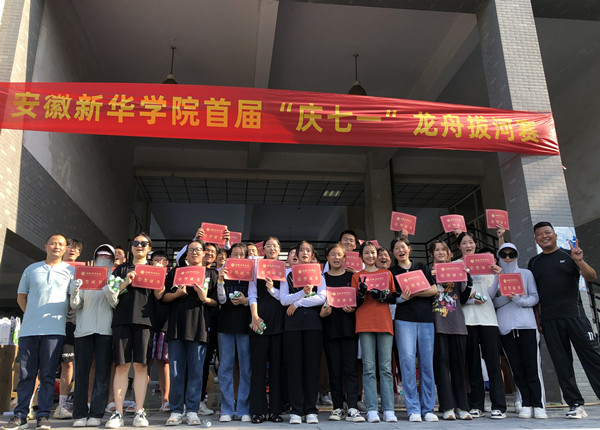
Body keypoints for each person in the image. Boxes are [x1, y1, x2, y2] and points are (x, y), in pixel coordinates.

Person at [528, 221, 600, 419]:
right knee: (562, 364)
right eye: (540, 234)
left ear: (555, 235)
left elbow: (591, 277)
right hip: (550, 320)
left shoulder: (570, 255)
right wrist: (538, 318)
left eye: (547, 232)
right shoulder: (534, 263)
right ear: (535, 239)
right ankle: (575, 404)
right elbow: (535, 294)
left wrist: (579, 261)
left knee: (593, 358)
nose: (544, 236)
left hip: (575, 316)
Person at [6, 234, 75, 430]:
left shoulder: (70, 271)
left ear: (65, 249)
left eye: (61, 244)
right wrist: (33, 315)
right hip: (29, 331)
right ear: (46, 246)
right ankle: (20, 415)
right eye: (53, 243)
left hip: (55, 331)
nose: (56, 246)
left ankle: (43, 415)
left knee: (47, 375)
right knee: (26, 374)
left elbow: (71, 303)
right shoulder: (32, 269)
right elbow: (21, 297)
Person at [105, 233, 165, 429]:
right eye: (136, 243)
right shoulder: (120, 269)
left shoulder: (154, 269)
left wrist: (160, 277)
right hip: (121, 320)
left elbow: (159, 296)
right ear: (131, 247)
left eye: (144, 243)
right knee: (121, 366)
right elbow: (111, 295)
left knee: (141, 366)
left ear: (149, 248)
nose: (140, 246)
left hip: (145, 322)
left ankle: (139, 411)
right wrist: (125, 282)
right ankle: (118, 413)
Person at [163, 240, 218, 426]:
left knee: (196, 372)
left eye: (198, 250)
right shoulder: (175, 273)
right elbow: (164, 297)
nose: (195, 252)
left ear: (204, 254)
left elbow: (217, 302)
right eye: (191, 250)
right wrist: (177, 294)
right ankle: (176, 410)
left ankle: (193, 410)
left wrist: (204, 298)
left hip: (199, 328)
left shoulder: (211, 274)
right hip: (177, 328)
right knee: (176, 372)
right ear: (186, 254)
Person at [491, 243, 547, 419]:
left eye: (511, 254)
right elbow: (492, 301)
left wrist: (518, 299)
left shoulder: (526, 274)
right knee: (516, 367)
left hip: (527, 326)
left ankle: (538, 404)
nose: (508, 258)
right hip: (506, 327)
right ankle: (526, 403)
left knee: (532, 366)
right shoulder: (496, 276)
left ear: (516, 255)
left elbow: (534, 297)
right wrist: (507, 298)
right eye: (504, 255)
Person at [456, 232, 507, 419]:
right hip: (467, 320)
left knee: (493, 363)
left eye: (471, 242)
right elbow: (454, 295)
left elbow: (491, 295)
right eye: (464, 243)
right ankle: (476, 404)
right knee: (473, 364)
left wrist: (498, 276)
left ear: (475, 245)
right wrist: (471, 300)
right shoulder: (456, 265)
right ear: (459, 246)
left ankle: (499, 405)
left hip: (488, 319)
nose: (468, 246)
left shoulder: (487, 263)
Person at [390, 237, 438, 422]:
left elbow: (434, 290)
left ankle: (428, 409)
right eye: (396, 248)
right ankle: (413, 409)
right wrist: (405, 297)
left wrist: (414, 292)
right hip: (404, 320)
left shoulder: (421, 267)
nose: (400, 250)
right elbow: (393, 297)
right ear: (393, 253)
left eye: (403, 247)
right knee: (407, 363)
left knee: (427, 364)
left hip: (426, 320)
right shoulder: (392, 272)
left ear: (409, 249)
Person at [70, 244, 119, 427]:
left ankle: (96, 413)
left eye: (107, 256)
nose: (103, 258)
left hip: (105, 330)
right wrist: (75, 291)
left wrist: (108, 288)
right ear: (95, 256)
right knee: (81, 373)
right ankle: (80, 413)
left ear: (112, 259)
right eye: (100, 255)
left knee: (102, 373)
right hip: (84, 330)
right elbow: (76, 305)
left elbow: (115, 304)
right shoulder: (84, 275)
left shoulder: (115, 278)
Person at [280, 241, 326, 424]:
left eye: (308, 250)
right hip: (292, 326)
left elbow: (322, 297)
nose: (304, 253)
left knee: (312, 368)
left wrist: (298, 303)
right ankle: (296, 410)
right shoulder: (288, 275)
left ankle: (311, 409)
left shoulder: (319, 274)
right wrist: (301, 294)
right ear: (296, 255)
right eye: (301, 250)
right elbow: (284, 300)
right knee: (294, 368)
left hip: (313, 325)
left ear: (312, 255)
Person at [351, 241, 397, 423]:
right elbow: (354, 302)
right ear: (361, 256)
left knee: (386, 368)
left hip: (384, 322)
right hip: (364, 322)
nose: (370, 256)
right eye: (366, 253)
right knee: (368, 367)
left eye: (373, 253)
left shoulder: (387, 274)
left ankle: (389, 409)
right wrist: (361, 294)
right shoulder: (357, 276)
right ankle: (371, 409)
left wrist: (383, 296)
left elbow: (393, 297)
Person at [319, 244, 363, 422]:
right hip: (330, 329)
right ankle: (337, 407)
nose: (336, 258)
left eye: (339, 255)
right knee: (334, 370)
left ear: (345, 258)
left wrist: (353, 307)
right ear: (327, 258)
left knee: (350, 369)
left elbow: (359, 299)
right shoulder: (322, 278)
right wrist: (322, 312)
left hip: (349, 329)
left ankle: (352, 407)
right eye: (333, 255)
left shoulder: (352, 277)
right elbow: (316, 300)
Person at [429, 240, 472, 420]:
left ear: (449, 254)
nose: (440, 253)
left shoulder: (456, 271)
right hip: (437, 326)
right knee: (441, 366)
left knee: (458, 367)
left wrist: (469, 280)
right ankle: (447, 407)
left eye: (444, 250)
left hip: (457, 325)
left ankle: (462, 406)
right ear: (432, 254)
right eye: (437, 250)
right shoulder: (427, 273)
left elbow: (463, 298)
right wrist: (430, 277)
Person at [248, 237, 286, 424]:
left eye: (275, 246)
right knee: (258, 369)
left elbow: (285, 297)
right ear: (263, 249)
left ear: (279, 250)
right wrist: (254, 317)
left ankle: (275, 410)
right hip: (259, 323)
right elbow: (252, 293)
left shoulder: (284, 269)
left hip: (279, 323)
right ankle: (258, 410)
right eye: (269, 245)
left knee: (277, 370)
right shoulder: (256, 268)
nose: (272, 248)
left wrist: (272, 289)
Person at [216, 243, 252, 422]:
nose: (238, 257)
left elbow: (255, 298)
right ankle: (227, 409)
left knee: (246, 368)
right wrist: (220, 281)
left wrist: (246, 301)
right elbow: (221, 299)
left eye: (241, 254)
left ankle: (244, 409)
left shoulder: (251, 274)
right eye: (235, 254)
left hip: (245, 325)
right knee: (225, 368)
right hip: (225, 325)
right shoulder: (222, 273)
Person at [54, 238, 83, 420]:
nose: (72, 250)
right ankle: (32, 402)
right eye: (70, 246)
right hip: (50, 322)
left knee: (68, 363)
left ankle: (62, 405)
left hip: (71, 323)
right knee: (43, 365)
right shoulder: (52, 267)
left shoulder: (81, 271)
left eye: (76, 248)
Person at [147, 250, 171, 413]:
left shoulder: (170, 277)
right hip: (147, 324)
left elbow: (160, 296)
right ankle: (138, 400)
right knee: (144, 363)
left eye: (161, 260)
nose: (158, 263)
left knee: (164, 363)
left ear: (167, 262)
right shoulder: (145, 276)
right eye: (155, 260)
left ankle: (165, 400)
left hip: (164, 325)